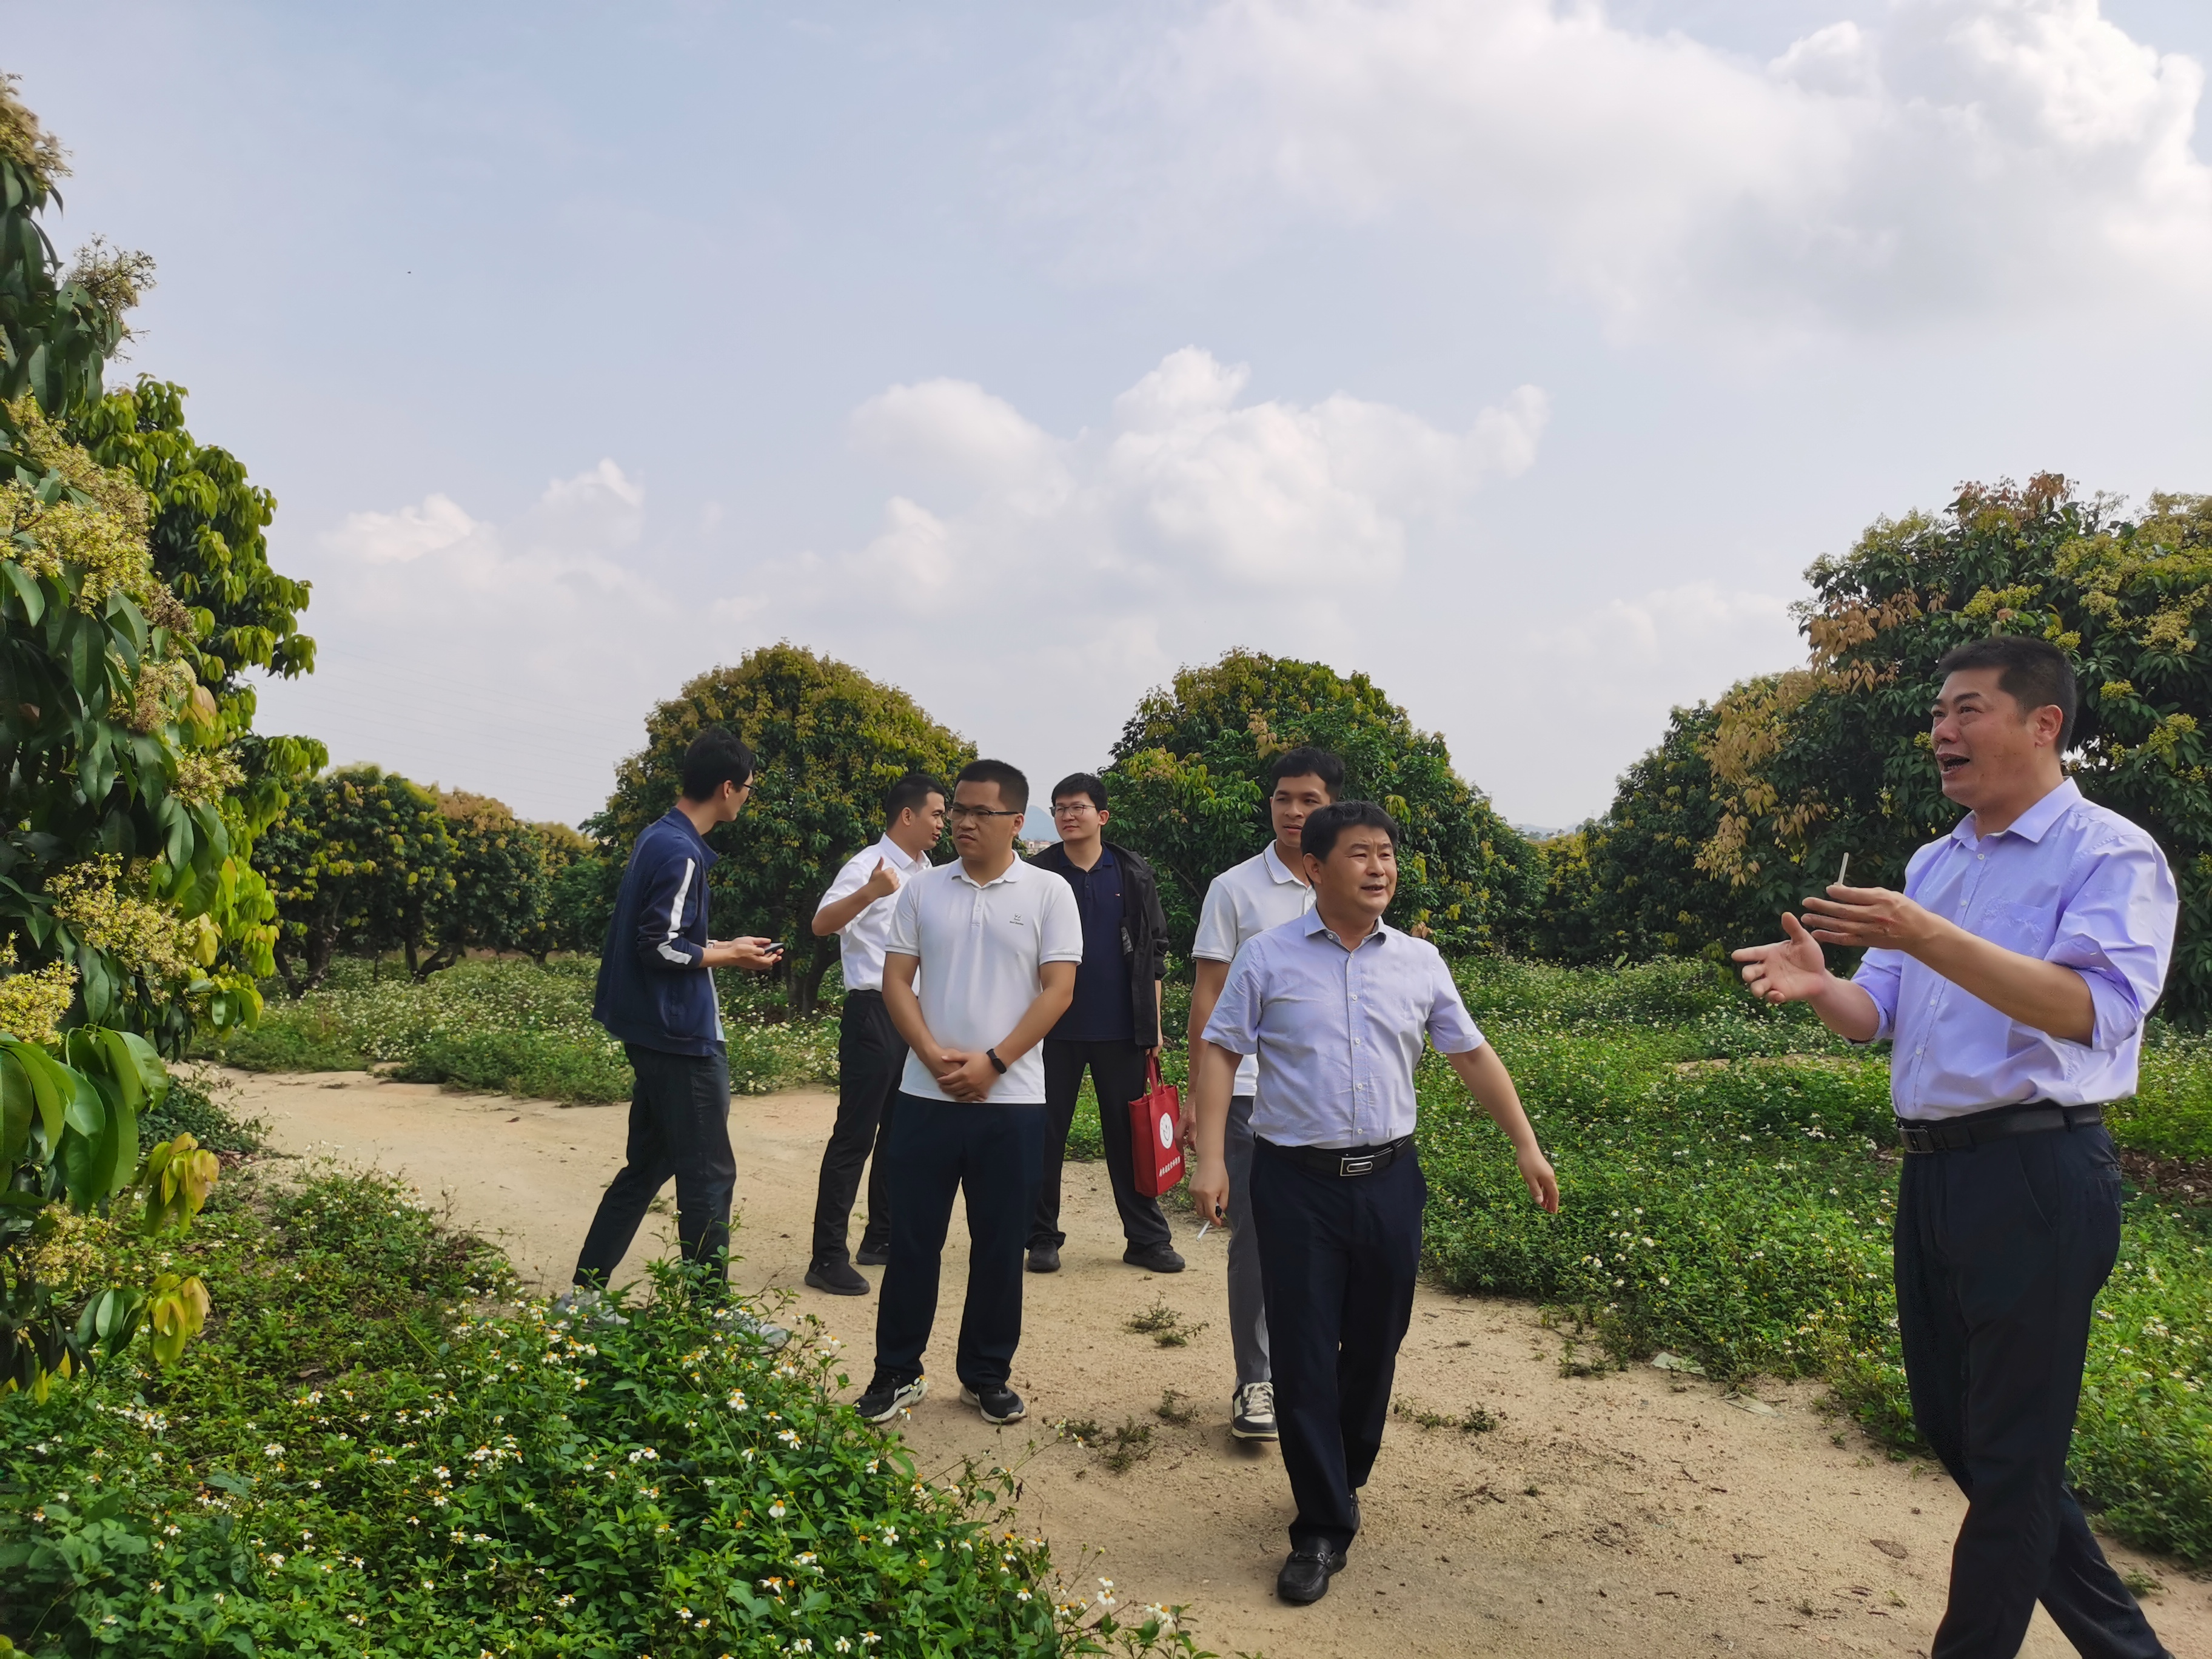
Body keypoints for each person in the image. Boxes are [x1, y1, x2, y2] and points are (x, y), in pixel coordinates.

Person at [1732, 637, 2176, 1659]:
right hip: (1934, 1174)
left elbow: (2091, 1009)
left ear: (2042, 724)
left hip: (2038, 1172)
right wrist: (1819, 986)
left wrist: (1923, 936)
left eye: (1966, 709)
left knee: (2012, 1458)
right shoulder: (1935, 863)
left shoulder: (2106, 854)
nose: (1940, 730)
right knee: (1965, 1435)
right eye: (1937, 712)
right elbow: (1877, 1012)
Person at [1190, 800, 1558, 1606]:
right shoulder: (1267, 958)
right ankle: (1321, 1525)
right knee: (1300, 1345)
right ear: (1316, 869)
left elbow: (1472, 1053)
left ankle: (1340, 1477)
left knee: (1376, 1342)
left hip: (1391, 1180)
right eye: (1360, 854)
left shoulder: (1419, 962)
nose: (1379, 868)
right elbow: (1220, 1050)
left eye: (1387, 854)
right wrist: (1211, 1157)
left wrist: (1526, 1143)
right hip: (1294, 1183)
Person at [856, 759, 1081, 1427]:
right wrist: (930, 1053)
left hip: (1012, 1103)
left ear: (1016, 821)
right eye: (956, 810)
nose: (961, 822)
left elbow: (1060, 990)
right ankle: (896, 1370)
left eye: (979, 812)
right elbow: (897, 980)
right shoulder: (924, 892)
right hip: (925, 1098)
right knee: (914, 1242)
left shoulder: (1047, 894)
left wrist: (994, 1063)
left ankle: (986, 1375)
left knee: (998, 1246)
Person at [568, 727, 783, 1312]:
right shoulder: (682, 850)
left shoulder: (659, 837)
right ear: (726, 787)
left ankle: (585, 1297)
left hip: (654, 1032)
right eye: (747, 788)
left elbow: (667, 936)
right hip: (682, 1039)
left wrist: (720, 944)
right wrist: (731, 955)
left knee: (649, 1165)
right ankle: (711, 1317)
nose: (746, 798)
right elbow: (657, 948)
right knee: (710, 1176)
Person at [1184, 746, 1341, 1442]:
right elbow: (1209, 1000)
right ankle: (1257, 1381)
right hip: (1249, 1092)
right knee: (1255, 1239)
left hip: (1329, 1099)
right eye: (1283, 798)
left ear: (1332, 806)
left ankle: (1315, 1374)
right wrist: (1199, 1103)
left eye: (1308, 800)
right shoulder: (1235, 889)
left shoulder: (1352, 879)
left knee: (1331, 1244)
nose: (1293, 812)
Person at [1025, 773, 1180, 1276]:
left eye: (1079, 807)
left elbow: (1155, 952)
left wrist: (1152, 1026)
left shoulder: (1132, 872)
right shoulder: (1037, 873)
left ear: (1102, 816)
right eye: (1060, 808)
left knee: (1128, 1136)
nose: (1068, 815)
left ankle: (1146, 1239)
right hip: (1049, 1031)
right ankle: (1040, 1237)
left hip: (1121, 1027)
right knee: (1044, 1136)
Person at [802, 771, 949, 1296]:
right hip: (872, 1013)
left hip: (914, 1012)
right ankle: (826, 1257)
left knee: (901, 1134)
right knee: (856, 1135)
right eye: (936, 813)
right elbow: (821, 924)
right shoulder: (869, 865)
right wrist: (870, 892)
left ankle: (880, 1238)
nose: (943, 823)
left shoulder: (930, 871)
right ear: (907, 816)